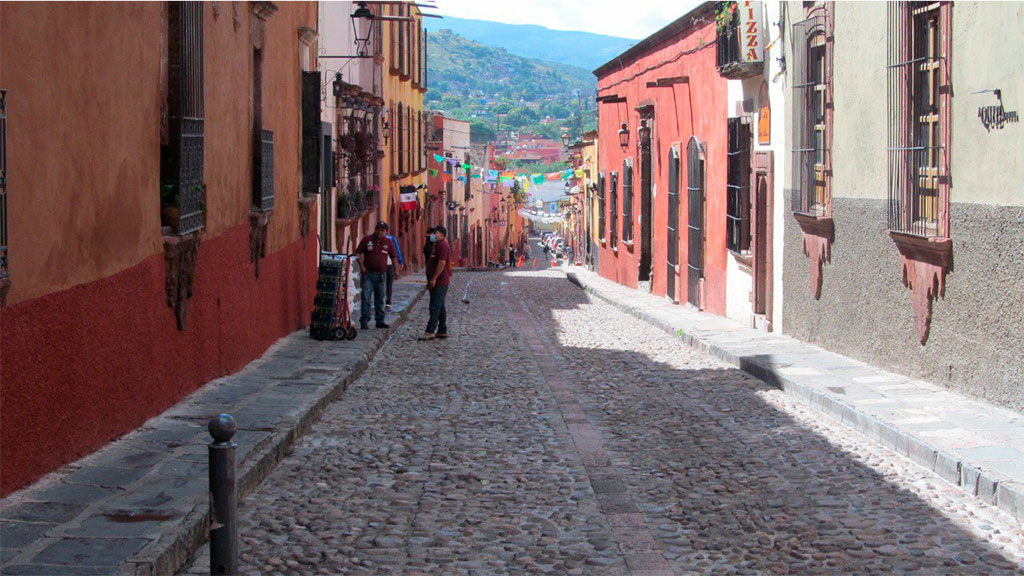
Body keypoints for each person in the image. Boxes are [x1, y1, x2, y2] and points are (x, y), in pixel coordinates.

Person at [355, 221, 397, 330]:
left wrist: (396, 270)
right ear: (375, 229)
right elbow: (358, 253)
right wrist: (362, 266)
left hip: (381, 275)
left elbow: (393, 256)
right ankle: (364, 321)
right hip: (368, 274)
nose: (379, 232)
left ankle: (380, 320)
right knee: (366, 298)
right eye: (378, 229)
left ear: (385, 231)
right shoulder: (367, 240)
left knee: (380, 299)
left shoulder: (388, 242)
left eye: (382, 230)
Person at [420, 226, 451, 341]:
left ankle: (430, 331)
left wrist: (434, 278)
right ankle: (442, 330)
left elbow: (441, 263)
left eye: (435, 233)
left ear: (442, 235)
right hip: (437, 281)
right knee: (440, 306)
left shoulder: (443, 246)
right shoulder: (436, 245)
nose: (433, 235)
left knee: (434, 307)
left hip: (440, 281)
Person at [384, 231, 405, 311]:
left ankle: (381, 301)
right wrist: (400, 261)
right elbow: (396, 250)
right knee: (389, 283)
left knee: (380, 283)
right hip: (389, 264)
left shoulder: (376, 238)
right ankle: (388, 302)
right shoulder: (391, 238)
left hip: (380, 264)